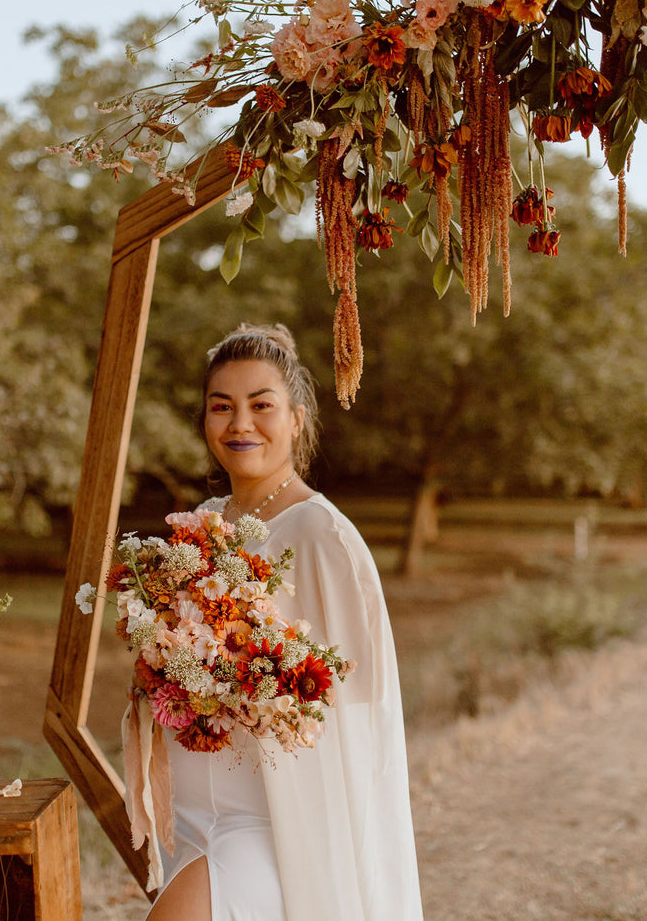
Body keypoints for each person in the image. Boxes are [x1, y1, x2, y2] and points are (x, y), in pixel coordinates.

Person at [146, 323, 423, 921]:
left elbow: (362, 702)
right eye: (222, 407)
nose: (240, 424)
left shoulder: (322, 536)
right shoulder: (201, 524)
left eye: (260, 406)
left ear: (297, 419)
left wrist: (263, 687)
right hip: (195, 816)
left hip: (273, 819)